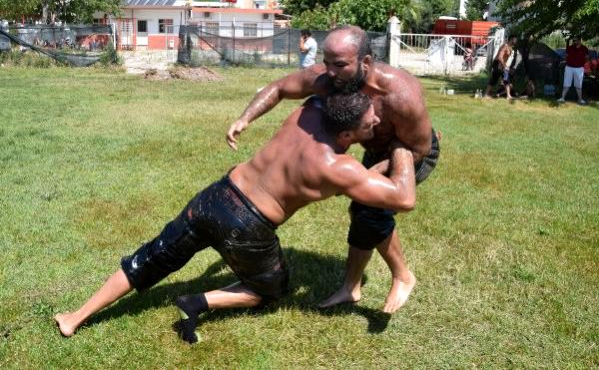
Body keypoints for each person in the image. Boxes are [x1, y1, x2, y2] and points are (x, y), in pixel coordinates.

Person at [55, 92, 417, 343]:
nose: (378, 123)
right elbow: (403, 198)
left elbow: (300, 87)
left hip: (216, 195)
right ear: (346, 134)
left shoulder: (307, 112)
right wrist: (404, 147)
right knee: (270, 289)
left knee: (150, 257)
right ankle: (199, 302)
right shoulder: (339, 166)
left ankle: (75, 317)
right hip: (247, 225)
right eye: (371, 123)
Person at [226, 25, 440, 314]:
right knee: (361, 211)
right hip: (378, 151)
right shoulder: (328, 79)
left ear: (365, 62)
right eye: (327, 63)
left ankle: (403, 276)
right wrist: (245, 118)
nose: (330, 72)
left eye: (340, 65)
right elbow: (278, 88)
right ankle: (351, 287)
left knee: (369, 210)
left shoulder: (401, 94)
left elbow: (419, 149)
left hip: (408, 152)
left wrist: (370, 173)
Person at [558, 36, 589, 105]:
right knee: (566, 83)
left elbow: (587, 58)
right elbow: (566, 56)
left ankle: (580, 100)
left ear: (579, 41)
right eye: (573, 41)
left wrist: (585, 65)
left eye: (575, 41)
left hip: (579, 68)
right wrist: (565, 61)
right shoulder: (569, 48)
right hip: (569, 67)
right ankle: (562, 98)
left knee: (579, 85)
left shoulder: (584, 48)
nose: (574, 42)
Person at [485, 34, 518, 98]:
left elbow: (505, 58)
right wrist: (504, 66)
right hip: (498, 64)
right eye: (515, 39)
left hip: (502, 65)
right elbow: (500, 57)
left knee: (506, 79)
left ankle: (508, 95)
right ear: (511, 39)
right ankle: (486, 94)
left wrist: (506, 66)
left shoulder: (510, 47)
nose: (516, 41)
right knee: (494, 79)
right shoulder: (505, 46)